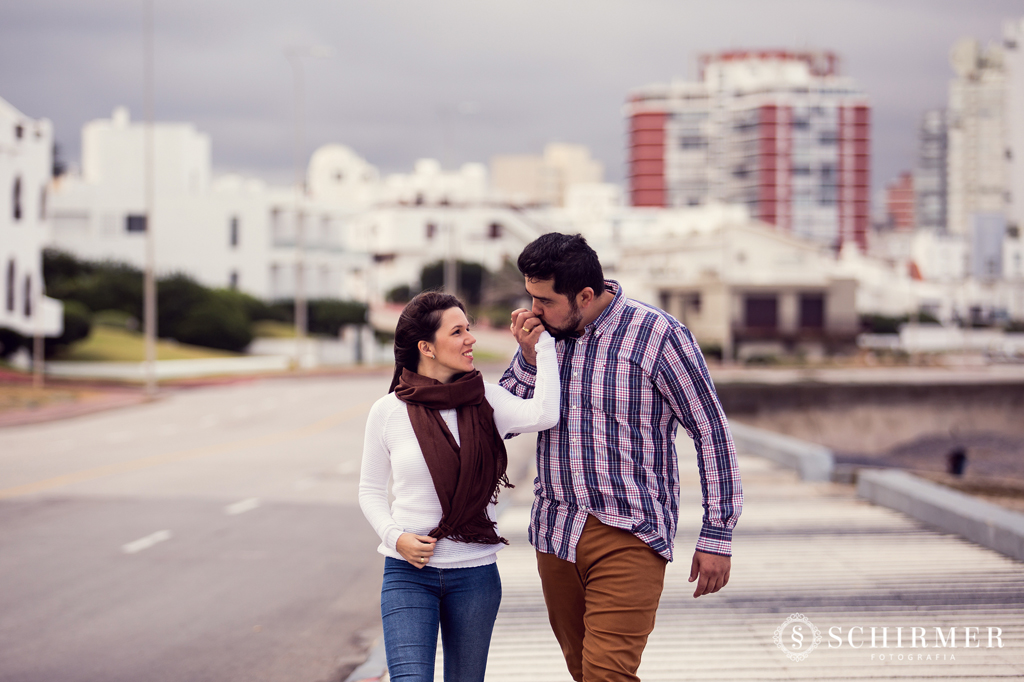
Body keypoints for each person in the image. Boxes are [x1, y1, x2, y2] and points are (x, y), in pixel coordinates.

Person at [499, 233, 743, 682]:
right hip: (556, 533)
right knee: (584, 671)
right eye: (530, 297)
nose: (533, 311)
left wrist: (717, 533)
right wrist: (529, 358)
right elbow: (505, 423)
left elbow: (710, 431)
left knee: (607, 674)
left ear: (585, 295)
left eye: (545, 301)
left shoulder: (657, 335)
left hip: (630, 532)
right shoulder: (545, 339)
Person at [359, 291, 560, 682]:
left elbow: (544, 413)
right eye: (458, 331)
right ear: (426, 347)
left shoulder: (486, 399)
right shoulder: (388, 412)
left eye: (469, 328)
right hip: (407, 574)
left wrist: (545, 347)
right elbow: (369, 489)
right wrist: (395, 536)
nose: (471, 338)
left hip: (474, 576)